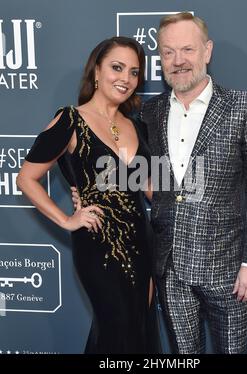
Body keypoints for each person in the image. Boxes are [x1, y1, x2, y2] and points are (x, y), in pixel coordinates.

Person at [138, 12, 247, 354]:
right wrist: (89, 188)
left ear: (207, 51)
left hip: (227, 270)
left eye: (187, 49)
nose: (178, 60)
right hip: (170, 268)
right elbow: (136, 170)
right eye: (168, 52)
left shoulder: (243, 106)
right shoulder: (150, 113)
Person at [17, 36, 156, 354]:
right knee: (116, 327)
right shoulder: (70, 120)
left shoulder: (134, 126)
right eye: (117, 68)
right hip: (99, 246)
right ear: (96, 70)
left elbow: (149, 187)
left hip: (142, 242)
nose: (126, 79)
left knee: (137, 329)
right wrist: (67, 218)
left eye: (134, 72)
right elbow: (26, 178)